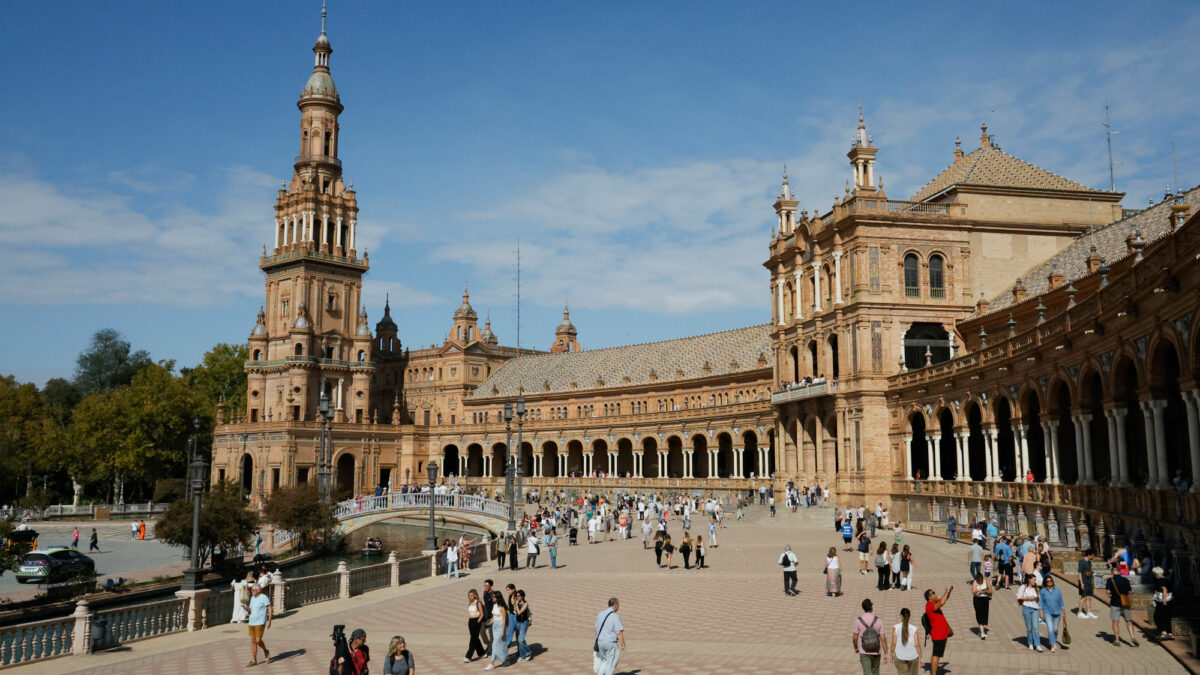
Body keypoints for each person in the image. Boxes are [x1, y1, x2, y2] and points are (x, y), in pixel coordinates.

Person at [852, 598, 888, 674]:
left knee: (866, 672)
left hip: (864, 651)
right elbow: (883, 638)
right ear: (871, 607)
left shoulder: (858, 621)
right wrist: (886, 653)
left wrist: (856, 648)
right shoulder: (879, 621)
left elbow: (855, 637)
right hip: (876, 650)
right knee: (876, 672)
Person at [1105, 566, 1138, 646]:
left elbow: (1108, 592)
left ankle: (1117, 640)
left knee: (1115, 622)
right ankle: (1132, 637)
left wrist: (1111, 594)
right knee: (1128, 621)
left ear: (1112, 572)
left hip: (1115, 603)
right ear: (1119, 572)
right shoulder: (1125, 580)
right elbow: (1129, 592)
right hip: (1125, 603)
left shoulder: (1110, 580)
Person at [923, 587, 952, 674]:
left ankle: (934, 672)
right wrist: (946, 591)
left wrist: (948, 592)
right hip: (938, 635)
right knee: (936, 655)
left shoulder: (934, 603)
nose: (935, 594)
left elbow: (944, 599)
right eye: (933, 593)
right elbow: (942, 602)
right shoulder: (930, 606)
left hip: (940, 634)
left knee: (936, 654)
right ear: (929, 597)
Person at [593, 598, 625, 675]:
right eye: (618, 605)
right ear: (615, 605)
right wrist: (623, 645)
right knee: (610, 664)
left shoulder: (600, 614)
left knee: (603, 662)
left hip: (600, 642)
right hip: (610, 643)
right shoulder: (615, 616)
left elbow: (596, 630)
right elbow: (619, 632)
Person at [244, 584, 273, 666]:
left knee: (258, 640)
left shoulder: (264, 597)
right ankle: (254, 661)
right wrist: (247, 609)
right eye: (251, 590)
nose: (251, 591)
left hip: (260, 622)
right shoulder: (252, 598)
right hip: (251, 622)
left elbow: (270, 608)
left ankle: (265, 650)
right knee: (253, 642)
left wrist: (269, 621)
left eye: (253, 590)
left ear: (258, 590)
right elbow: (251, 610)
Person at [891, 607, 922, 675]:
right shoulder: (914, 628)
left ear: (901, 616)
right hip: (913, 657)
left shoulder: (896, 627)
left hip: (899, 656)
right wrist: (921, 657)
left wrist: (892, 654)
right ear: (909, 617)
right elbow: (917, 644)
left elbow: (893, 643)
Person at [1039, 576, 1064, 653]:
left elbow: (1061, 602)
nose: (1049, 582)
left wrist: (1063, 611)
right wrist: (1040, 611)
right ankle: (1052, 645)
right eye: (1047, 581)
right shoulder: (1043, 591)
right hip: (1047, 612)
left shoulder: (1058, 591)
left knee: (1055, 630)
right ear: (1045, 583)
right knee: (1050, 629)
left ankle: (1053, 640)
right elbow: (1041, 602)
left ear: (1053, 582)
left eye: (1050, 581)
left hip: (1057, 612)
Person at [484, 590, 508, 670]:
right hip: (494, 626)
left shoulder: (502, 608)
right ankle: (505, 659)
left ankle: (491, 663)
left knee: (495, 644)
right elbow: (494, 616)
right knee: (500, 644)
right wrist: (489, 623)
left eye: (494, 597)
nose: (492, 598)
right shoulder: (495, 605)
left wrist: (503, 631)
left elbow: (504, 620)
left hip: (501, 626)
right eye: (492, 596)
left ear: (498, 597)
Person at [1017, 575, 1042, 651]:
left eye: (1035, 579)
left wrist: (1041, 611)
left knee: (1036, 628)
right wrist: (1028, 598)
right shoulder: (1023, 587)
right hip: (1026, 608)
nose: (1035, 581)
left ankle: (1037, 644)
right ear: (1029, 580)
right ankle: (1030, 643)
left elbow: (1039, 600)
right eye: (1033, 579)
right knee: (1029, 628)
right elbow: (1019, 597)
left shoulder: (1037, 589)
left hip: (1035, 609)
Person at [464, 589, 487, 663]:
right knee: (475, 638)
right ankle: (482, 653)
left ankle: (468, 656)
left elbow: (482, 614)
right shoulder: (470, 603)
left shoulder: (478, 603)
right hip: (470, 622)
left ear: (475, 595)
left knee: (473, 640)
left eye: (471, 595)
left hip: (477, 621)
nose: (470, 597)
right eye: (469, 596)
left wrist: (478, 622)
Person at [1151, 566, 1173, 641]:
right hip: (1169, 600)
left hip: (1162, 601)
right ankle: (1170, 633)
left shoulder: (1160, 581)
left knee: (1157, 617)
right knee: (1167, 616)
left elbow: (1164, 589)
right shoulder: (1167, 579)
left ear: (1156, 574)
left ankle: (1163, 632)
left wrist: (1164, 600)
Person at [1075, 550, 1097, 618]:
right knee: (1083, 597)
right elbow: (1079, 573)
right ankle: (1080, 612)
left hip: (1089, 582)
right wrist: (1081, 583)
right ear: (1089, 555)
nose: (1093, 556)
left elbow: (1089, 572)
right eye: (1093, 555)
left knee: (1089, 597)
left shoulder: (1089, 562)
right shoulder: (1082, 562)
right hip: (1084, 582)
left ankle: (1088, 612)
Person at [971, 572, 993, 639]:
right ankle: (982, 633)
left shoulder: (986, 581)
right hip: (977, 599)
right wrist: (978, 590)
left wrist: (984, 591)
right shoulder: (975, 582)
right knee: (979, 614)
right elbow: (973, 593)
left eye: (981, 581)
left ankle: (981, 632)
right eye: (979, 581)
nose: (980, 582)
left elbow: (991, 591)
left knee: (984, 615)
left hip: (985, 599)